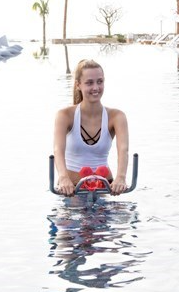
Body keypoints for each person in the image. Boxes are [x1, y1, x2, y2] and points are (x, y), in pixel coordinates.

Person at [53, 59, 130, 196]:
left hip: (104, 186)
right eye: (89, 83)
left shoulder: (117, 116)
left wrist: (121, 177)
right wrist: (63, 177)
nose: (95, 87)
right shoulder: (64, 115)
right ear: (78, 85)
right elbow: (58, 150)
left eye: (100, 81)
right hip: (72, 188)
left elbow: (123, 150)